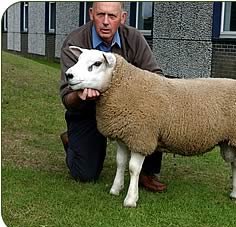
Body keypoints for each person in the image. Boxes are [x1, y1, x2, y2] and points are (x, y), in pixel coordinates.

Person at [59, 2, 166, 192]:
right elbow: (67, 98)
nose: (106, 22)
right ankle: (72, 141)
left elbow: (155, 76)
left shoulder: (133, 38)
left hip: (128, 112)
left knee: (152, 120)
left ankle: (146, 171)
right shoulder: (75, 42)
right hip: (87, 111)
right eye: (101, 15)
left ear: (122, 17)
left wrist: (133, 94)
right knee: (85, 174)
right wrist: (80, 95)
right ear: (91, 14)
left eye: (112, 16)